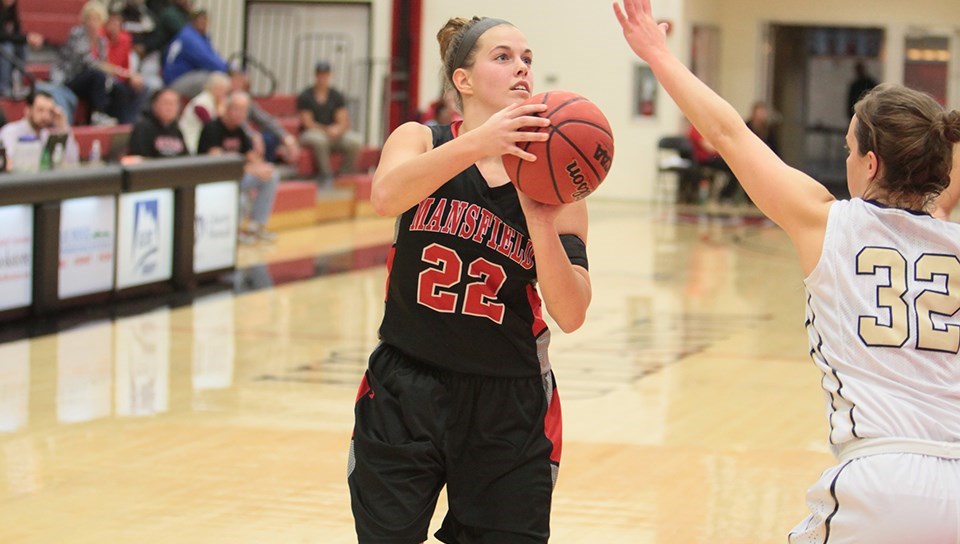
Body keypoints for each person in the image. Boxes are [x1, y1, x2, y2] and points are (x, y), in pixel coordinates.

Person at [614, 1, 960, 542]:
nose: (846, 159)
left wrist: (659, 55)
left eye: (850, 150)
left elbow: (728, 133)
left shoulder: (827, 223)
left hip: (879, 476)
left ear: (871, 164)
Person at [348, 16, 591, 544]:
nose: (521, 68)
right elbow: (385, 197)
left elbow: (571, 313)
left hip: (509, 399)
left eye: (527, 58)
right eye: (503, 57)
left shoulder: (554, 177)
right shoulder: (420, 139)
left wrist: (541, 220)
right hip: (407, 384)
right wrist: (481, 142)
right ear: (463, 79)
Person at [197, 91, 278, 245]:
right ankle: (234, 231)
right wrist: (250, 169)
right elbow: (218, 162)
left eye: (243, 110)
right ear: (227, 108)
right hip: (214, 179)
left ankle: (256, 225)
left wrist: (261, 167)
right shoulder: (212, 127)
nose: (240, 114)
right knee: (240, 195)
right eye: (236, 109)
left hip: (235, 176)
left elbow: (251, 157)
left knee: (271, 176)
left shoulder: (240, 130)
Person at [51, 1, 118, 126]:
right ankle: (97, 114)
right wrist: (103, 67)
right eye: (90, 18)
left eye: (96, 19)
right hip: (70, 77)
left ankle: (119, 120)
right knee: (98, 75)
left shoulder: (101, 41)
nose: (92, 22)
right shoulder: (77, 34)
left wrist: (109, 72)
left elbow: (104, 62)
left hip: (89, 80)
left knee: (117, 87)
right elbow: (84, 59)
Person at [296, 60, 362, 187]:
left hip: (333, 134)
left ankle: (345, 174)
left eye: (325, 74)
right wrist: (327, 130)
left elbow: (343, 120)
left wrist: (338, 129)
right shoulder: (306, 96)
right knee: (319, 140)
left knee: (355, 141)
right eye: (320, 74)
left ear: (330, 75)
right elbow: (308, 123)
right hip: (311, 132)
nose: (323, 77)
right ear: (316, 75)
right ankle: (325, 175)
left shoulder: (336, 95)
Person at [0, 90, 79, 170]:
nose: (46, 116)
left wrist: (63, 127)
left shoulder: (47, 135)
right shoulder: (10, 132)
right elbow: (8, 165)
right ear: (28, 110)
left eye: (50, 111)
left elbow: (72, 161)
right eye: (40, 110)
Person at [162, 8, 229, 100]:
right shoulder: (189, 37)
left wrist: (227, 67)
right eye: (200, 20)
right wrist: (229, 70)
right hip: (175, 81)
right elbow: (208, 61)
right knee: (213, 80)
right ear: (193, 21)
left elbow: (214, 57)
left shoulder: (200, 37)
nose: (203, 23)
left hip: (185, 77)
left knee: (218, 78)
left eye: (205, 20)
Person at [103, 9, 148, 123]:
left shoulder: (125, 39)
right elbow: (102, 64)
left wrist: (131, 76)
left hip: (120, 75)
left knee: (143, 87)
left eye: (117, 23)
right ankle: (125, 121)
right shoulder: (101, 38)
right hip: (106, 76)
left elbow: (126, 65)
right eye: (112, 22)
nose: (114, 26)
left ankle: (132, 120)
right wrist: (123, 74)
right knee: (121, 90)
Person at [124, 87, 186, 160]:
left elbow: (186, 158)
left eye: (174, 104)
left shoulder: (177, 130)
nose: (170, 108)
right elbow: (139, 158)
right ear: (154, 105)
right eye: (166, 103)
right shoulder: (143, 129)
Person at [179, 71, 229, 154]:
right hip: (191, 141)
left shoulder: (217, 102)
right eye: (219, 88)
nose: (222, 93)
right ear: (210, 87)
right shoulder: (200, 103)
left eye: (224, 90)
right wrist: (220, 112)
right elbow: (211, 127)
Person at [0, 0, 43, 98]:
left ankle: (19, 81)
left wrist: (28, 39)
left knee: (22, 46)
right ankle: (3, 87)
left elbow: (16, 32)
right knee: (7, 47)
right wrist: (26, 38)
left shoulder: (11, 10)